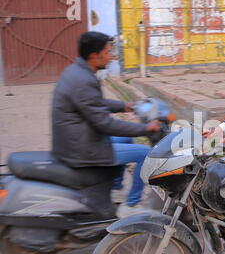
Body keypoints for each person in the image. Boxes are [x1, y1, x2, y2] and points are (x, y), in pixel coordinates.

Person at [52, 31, 160, 218]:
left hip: (77, 138)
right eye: (108, 52)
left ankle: (116, 190)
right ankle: (131, 205)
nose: (111, 57)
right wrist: (144, 129)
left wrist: (124, 105)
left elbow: (94, 103)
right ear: (94, 56)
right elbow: (105, 124)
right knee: (146, 154)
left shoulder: (78, 71)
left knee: (125, 140)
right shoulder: (84, 80)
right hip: (83, 149)